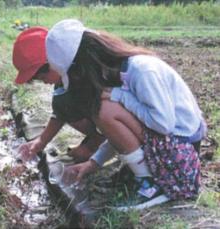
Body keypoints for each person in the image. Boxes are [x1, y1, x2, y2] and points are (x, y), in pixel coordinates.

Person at [45, 19, 207, 206]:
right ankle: (144, 178)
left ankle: (150, 185)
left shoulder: (143, 71)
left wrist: (120, 96)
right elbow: (120, 132)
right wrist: (93, 164)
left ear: (82, 64)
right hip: (170, 148)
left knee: (104, 109)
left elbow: (163, 124)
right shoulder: (120, 73)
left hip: (181, 158)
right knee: (104, 109)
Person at [12, 26, 105, 163]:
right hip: (106, 122)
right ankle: (98, 140)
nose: (44, 82)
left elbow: (109, 114)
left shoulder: (90, 70)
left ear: (51, 61)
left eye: (43, 77)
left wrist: (90, 147)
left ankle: (102, 142)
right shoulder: (63, 74)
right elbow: (59, 113)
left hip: (127, 122)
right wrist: (40, 141)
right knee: (63, 103)